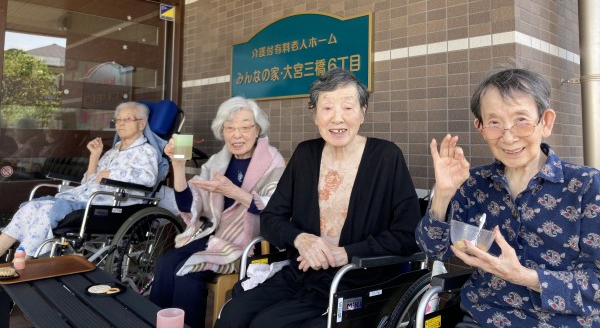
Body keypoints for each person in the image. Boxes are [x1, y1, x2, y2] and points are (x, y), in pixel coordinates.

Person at [216, 68, 422, 327]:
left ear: (363, 111)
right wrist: (300, 239)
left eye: (347, 107)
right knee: (233, 314)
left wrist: (346, 253)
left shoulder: (386, 157)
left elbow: (407, 234)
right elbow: (270, 218)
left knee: (267, 324)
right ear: (314, 114)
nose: (337, 118)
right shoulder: (305, 155)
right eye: (327, 108)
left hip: (356, 280)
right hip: (302, 272)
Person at [416, 68, 600, 327]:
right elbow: (433, 249)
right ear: (480, 127)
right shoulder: (474, 183)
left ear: (546, 122)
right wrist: (443, 194)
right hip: (482, 319)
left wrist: (525, 277)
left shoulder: (586, 185)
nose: (509, 136)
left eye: (521, 120)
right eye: (494, 123)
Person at [149, 96, 286, 328]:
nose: (237, 134)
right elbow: (189, 205)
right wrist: (178, 166)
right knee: (166, 263)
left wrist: (233, 192)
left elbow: (275, 209)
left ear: (258, 130)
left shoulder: (273, 161)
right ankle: (152, 322)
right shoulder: (217, 161)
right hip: (214, 235)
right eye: (229, 128)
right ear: (222, 131)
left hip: (249, 244)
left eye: (245, 127)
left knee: (187, 273)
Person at [0, 101, 159, 258]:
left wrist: (112, 175)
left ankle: (20, 265)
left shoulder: (146, 151)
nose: (121, 124)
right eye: (118, 119)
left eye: (127, 119)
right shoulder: (113, 152)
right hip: (84, 198)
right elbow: (88, 183)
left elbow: (148, 179)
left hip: (110, 204)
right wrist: (94, 156)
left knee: (45, 211)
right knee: (30, 207)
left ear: (142, 124)